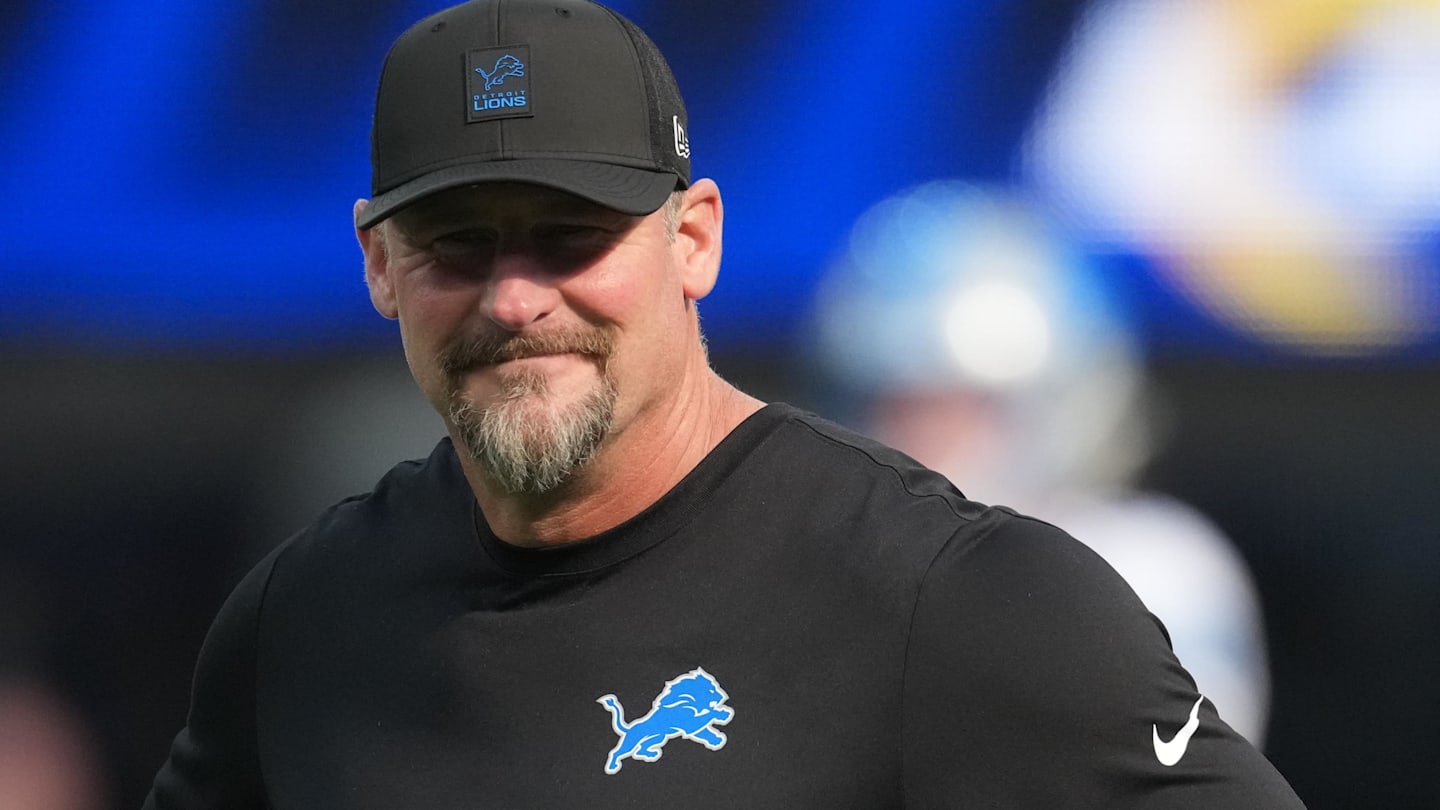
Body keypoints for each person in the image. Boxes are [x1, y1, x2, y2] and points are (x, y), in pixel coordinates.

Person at [142, 0, 1307, 806]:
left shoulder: (961, 601)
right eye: (457, 245)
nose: (514, 297)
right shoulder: (305, 622)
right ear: (378, 263)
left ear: (693, 239)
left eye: (569, 237)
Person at [810, 180, 1272, 746]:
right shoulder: (822, 575)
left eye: (959, 408)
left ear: (1057, 401)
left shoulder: (1156, 570)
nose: (923, 439)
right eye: (899, 405)